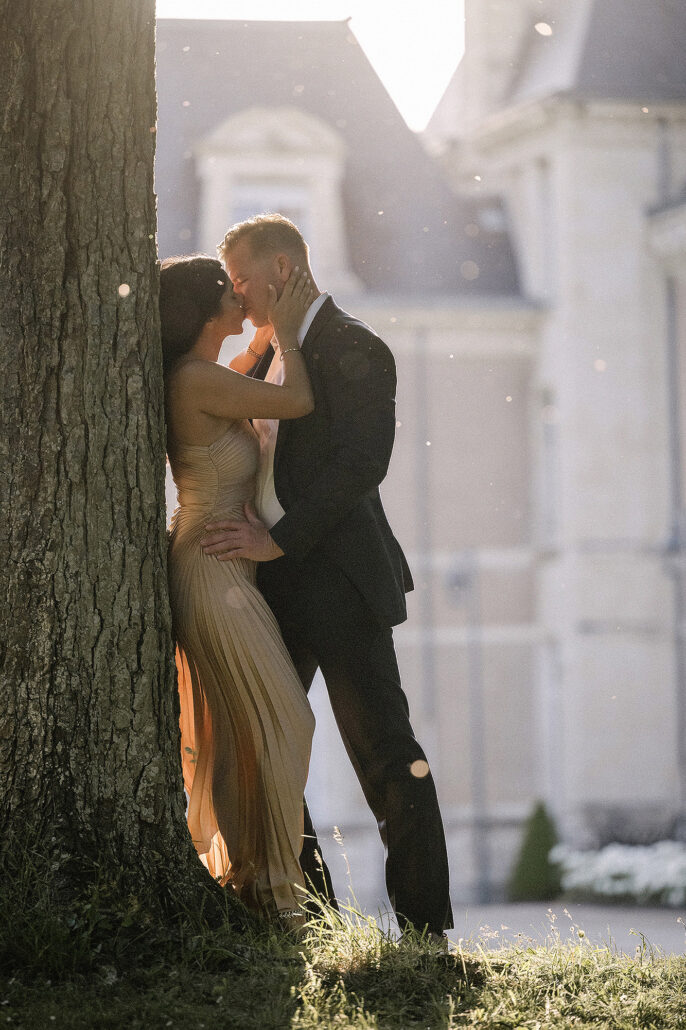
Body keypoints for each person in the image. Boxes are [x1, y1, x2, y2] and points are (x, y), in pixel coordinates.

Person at [201, 215, 454, 938]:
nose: (235, 292)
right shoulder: (259, 357)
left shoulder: (357, 348)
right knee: (259, 748)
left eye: (242, 279)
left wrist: (279, 541)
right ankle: (313, 920)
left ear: (281, 269)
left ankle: (426, 933)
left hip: (342, 585)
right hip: (271, 593)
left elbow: (361, 465)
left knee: (387, 758)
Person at [160, 254, 317, 926]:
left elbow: (249, 364)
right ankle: (276, 892)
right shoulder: (195, 380)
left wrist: (266, 334)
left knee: (237, 732)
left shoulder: (204, 374)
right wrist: (286, 329)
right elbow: (297, 401)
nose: (240, 298)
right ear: (203, 310)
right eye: (229, 291)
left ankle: (251, 882)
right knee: (285, 719)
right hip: (212, 569)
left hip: (223, 568)